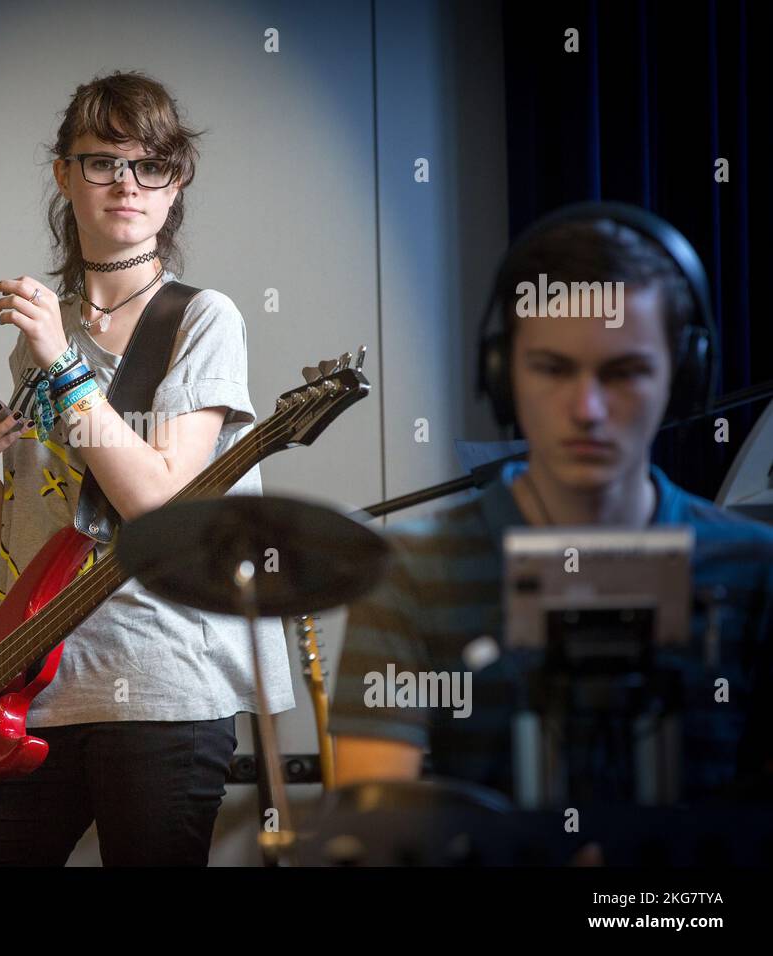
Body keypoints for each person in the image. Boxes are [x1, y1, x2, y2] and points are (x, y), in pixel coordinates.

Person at [0, 70, 294, 865]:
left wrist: (63, 366)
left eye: (150, 165)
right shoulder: (43, 329)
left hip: (163, 684)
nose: (125, 183)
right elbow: (26, 535)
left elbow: (158, 504)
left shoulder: (202, 319)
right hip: (32, 687)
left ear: (176, 185)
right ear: (65, 176)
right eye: (100, 162)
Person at [328, 209, 773, 805]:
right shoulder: (407, 572)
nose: (587, 408)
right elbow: (375, 828)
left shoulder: (754, 569)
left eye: (624, 372)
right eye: (553, 369)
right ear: (503, 374)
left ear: (683, 378)